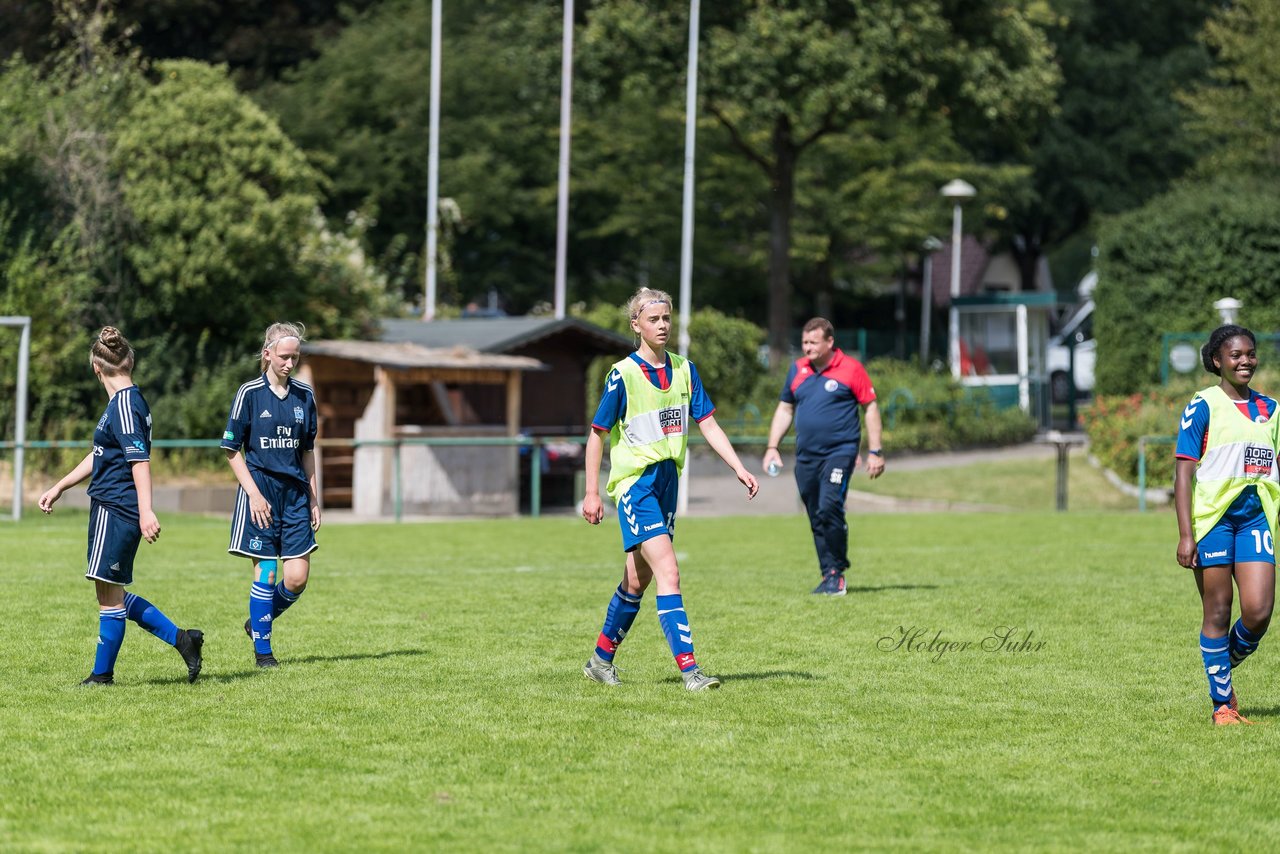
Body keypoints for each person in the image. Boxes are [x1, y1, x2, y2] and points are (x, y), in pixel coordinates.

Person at [581, 287, 759, 691]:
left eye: (666, 319)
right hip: (635, 485)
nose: (662, 326)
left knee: (635, 582)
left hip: (667, 484)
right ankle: (691, 672)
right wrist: (592, 492)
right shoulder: (622, 374)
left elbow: (708, 423)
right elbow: (596, 435)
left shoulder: (684, 370)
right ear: (636, 325)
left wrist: (738, 467)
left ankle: (599, 661)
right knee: (669, 572)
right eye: (653, 320)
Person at [38, 327, 204, 685]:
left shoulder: (126, 404)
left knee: (108, 597)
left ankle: (102, 676)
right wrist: (61, 485)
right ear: (129, 361)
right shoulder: (123, 403)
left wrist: (146, 510)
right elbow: (101, 454)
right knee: (112, 592)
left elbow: (139, 460)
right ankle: (183, 639)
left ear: (96, 369)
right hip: (112, 505)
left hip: (117, 507)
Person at [1174, 324, 1280, 725]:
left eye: (1250, 353)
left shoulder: (1272, 409)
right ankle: (1223, 704)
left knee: (1258, 612)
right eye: (1235, 355)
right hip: (1214, 521)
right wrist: (1187, 535)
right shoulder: (1202, 405)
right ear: (1217, 360)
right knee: (1218, 611)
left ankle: (1220, 666)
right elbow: (1183, 473)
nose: (1245, 361)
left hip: (1255, 518)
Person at [222, 322, 321, 668]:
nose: (289, 363)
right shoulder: (249, 393)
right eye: (283, 357)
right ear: (267, 355)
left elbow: (307, 452)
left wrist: (313, 497)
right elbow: (232, 450)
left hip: (295, 496)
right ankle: (264, 654)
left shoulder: (304, 397)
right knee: (265, 572)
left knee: (296, 578)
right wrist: (253, 494)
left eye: (295, 357)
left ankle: (257, 624)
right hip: (260, 493)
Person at [762, 317, 884, 596]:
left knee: (829, 505)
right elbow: (784, 410)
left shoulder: (851, 369)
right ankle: (829, 573)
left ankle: (837, 567)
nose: (807, 348)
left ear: (830, 342)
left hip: (840, 453)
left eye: (813, 342)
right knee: (816, 513)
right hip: (806, 457)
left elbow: (871, 408)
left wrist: (875, 451)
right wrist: (772, 447)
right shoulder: (797, 370)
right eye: (804, 342)